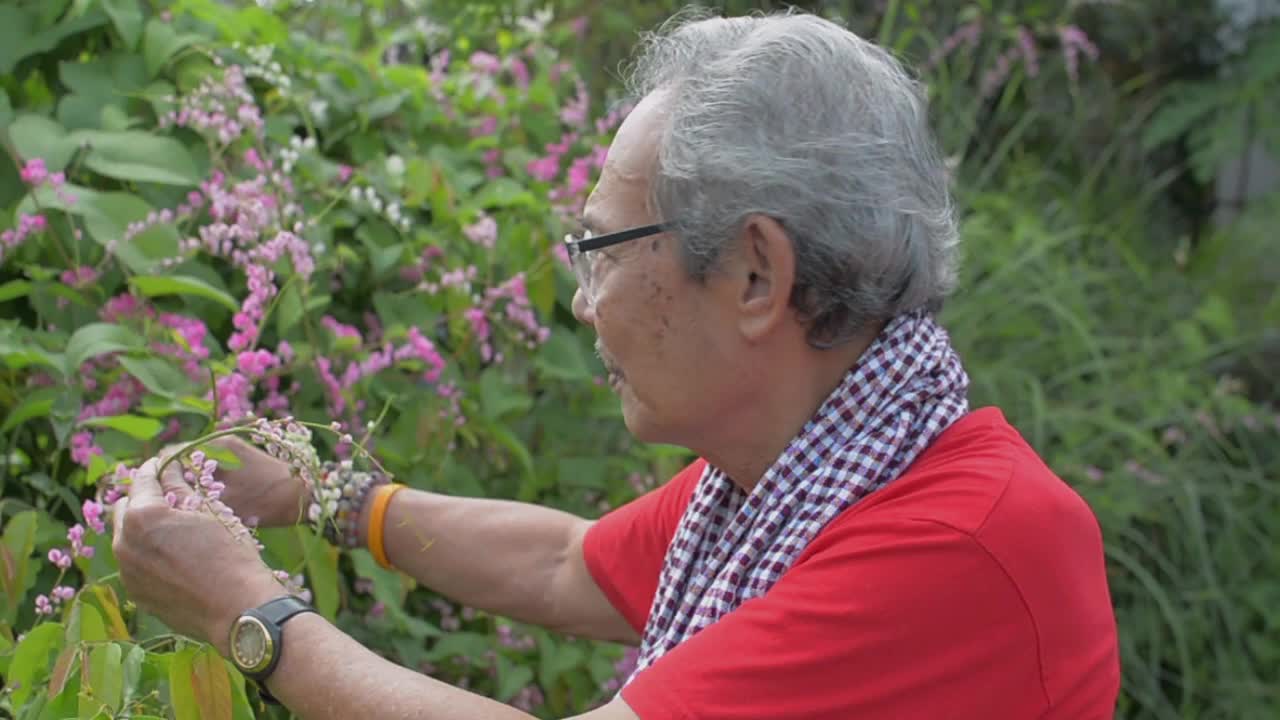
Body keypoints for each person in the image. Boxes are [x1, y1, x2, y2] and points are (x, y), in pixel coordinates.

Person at [112, 9, 1121, 720]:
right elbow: (566, 566)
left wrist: (248, 611)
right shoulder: (809, 470)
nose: (581, 300)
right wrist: (321, 495)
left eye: (598, 249)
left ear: (755, 275)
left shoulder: (959, 549)